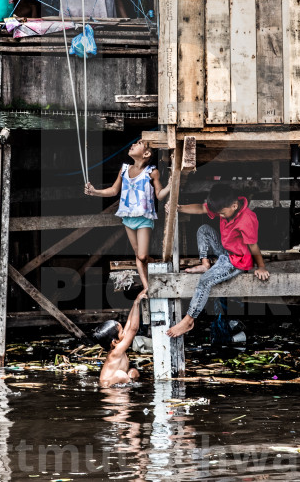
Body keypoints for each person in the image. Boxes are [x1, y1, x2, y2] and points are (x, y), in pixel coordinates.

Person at [165, 183, 270, 338]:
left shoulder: (248, 219)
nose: (219, 216)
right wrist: (178, 208)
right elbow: (201, 208)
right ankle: (205, 264)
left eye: (221, 213)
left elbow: (253, 247)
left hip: (237, 261)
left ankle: (188, 320)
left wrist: (261, 267)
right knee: (204, 230)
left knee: (205, 281)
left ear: (234, 206)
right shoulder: (226, 205)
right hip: (226, 251)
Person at [85, 139, 168, 295]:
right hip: (128, 218)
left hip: (143, 217)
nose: (133, 145)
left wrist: (171, 185)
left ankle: (150, 267)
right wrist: (95, 191)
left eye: (138, 144)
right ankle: (146, 287)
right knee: (139, 255)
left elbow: (160, 195)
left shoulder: (151, 172)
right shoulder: (124, 169)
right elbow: (113, 191)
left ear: (146, 153)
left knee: (142, 256)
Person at [95, 290, 147, 387]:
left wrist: (135, 301)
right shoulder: (116, 352)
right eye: (122, 332)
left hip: (115, 381)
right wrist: (136, 303)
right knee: (121, 375)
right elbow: (133, 329)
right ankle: (126, 396)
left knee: (133, 372)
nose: (124, 332)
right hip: (107, 385)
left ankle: (128, 385)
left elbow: (129, 323)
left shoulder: (117, 345)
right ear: (114, 342)